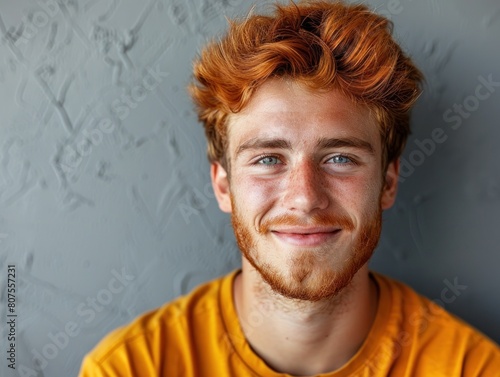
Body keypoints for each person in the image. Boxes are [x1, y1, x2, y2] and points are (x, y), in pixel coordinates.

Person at [79, 1, 500, 376]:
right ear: (223, 185)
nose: (304, 197)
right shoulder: (130, 367)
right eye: (267, 160)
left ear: (388, 181)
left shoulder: (472, 367)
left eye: (340, 158)